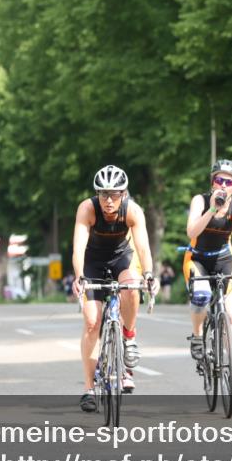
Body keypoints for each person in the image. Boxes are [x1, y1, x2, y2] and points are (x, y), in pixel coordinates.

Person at [71, 165, 158, 412]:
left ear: (124, 193)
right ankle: (89, 388)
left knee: (131, 286)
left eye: (115, 194)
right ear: (97, 194)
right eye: (103, 194)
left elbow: (143, 249)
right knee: (91, 322)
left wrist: (149, 274)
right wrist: (79, 276)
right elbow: (78, 248)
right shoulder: (87, 209)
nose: (109, 201)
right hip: (93, 262)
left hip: (122, 258)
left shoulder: (132, 210)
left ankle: (128, 337)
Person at [183, 159, 232, 394]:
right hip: (198, 259)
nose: (222, 185)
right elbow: (192, 231)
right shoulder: (200, 201)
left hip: (224, 259)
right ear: (212, 182)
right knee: (201, 295)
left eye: (228, 181)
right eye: (218, 180)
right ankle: (197, 335)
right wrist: (212, 209)